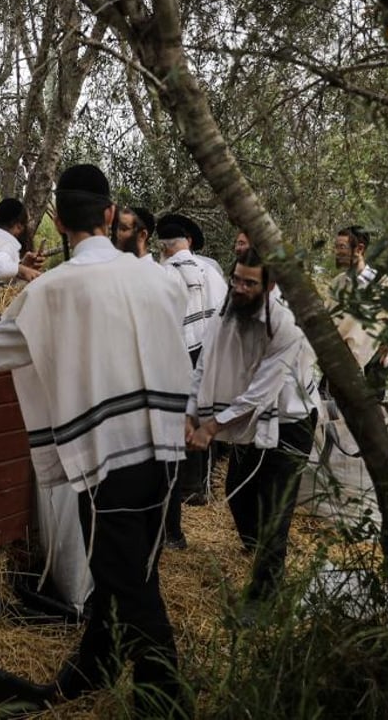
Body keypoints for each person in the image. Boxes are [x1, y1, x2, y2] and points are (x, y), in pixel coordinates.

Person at [0, 164, 192, 718]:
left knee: (128, 582)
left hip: (108, 455)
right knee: (132, 567)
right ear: (111, 215)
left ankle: (166, 703)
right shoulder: (161, 278)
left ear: (59, 221)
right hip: (164, 449)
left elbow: (1, 343)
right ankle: (91, 669)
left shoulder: (53, 290)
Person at [186, 248, 318, 610]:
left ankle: (264, 597)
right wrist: (190, 412)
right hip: (247, 421)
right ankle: (260, 550)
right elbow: (205, 365)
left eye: (249, 283)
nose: (240, 288)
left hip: (289, 424)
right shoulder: (229, 307)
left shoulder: (286, 322)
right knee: (237, 494)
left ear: (270, 285)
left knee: (276, 511)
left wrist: (211, 427)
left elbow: (260, 392)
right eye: (236, 279)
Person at [156, 212, 228, 542]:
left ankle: (186, 488)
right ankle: (200, 486)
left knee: (179, 419)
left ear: (165, 247)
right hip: (212, 351)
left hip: (181, 352)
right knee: (202, 414)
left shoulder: (163, 273)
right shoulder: (211, 271)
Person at [330, 225, 388, 398]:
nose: (337, 252)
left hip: (370, 368)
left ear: (359, 249)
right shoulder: (337, 284)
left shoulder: (384, 284)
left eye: (342, 247)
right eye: (336, 247)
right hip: (337, 366)